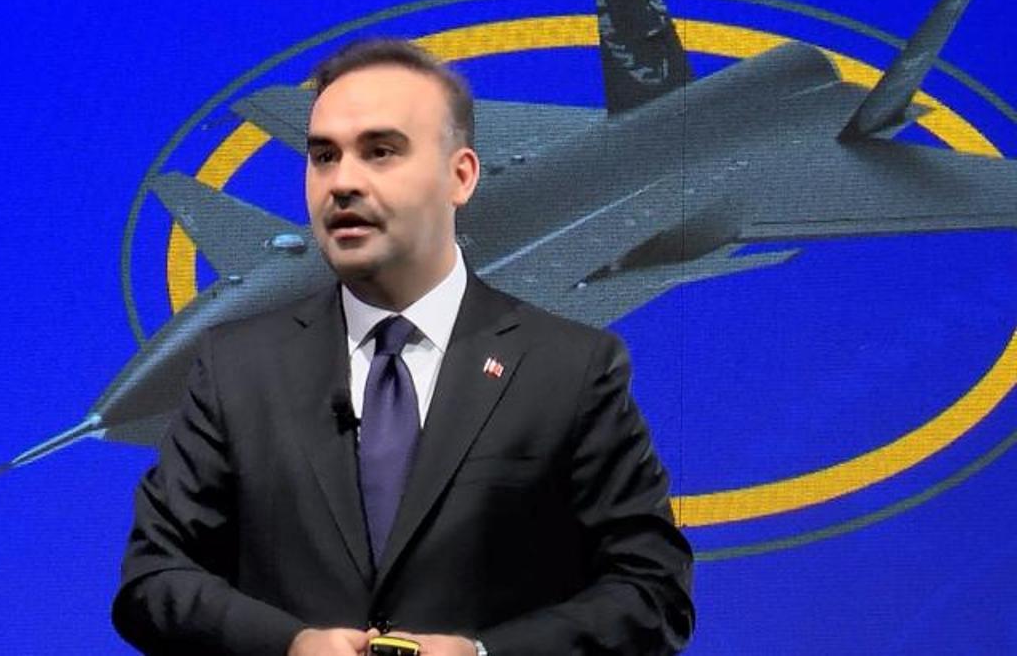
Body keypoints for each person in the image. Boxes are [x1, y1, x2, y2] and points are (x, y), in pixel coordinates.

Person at [112, 38, 694, 656]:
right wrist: (288, 645)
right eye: (324, 156)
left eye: (380, 152)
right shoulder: (237, 368)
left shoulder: (572, 369)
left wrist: (483, 655)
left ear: (460, 176)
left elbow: (652, 593)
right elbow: (155, 579)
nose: (343, 182)